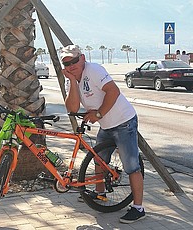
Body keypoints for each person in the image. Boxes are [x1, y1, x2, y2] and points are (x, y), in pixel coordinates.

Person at [61, 45, 145, 224]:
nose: (71, 65)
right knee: (99, 160)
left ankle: (138, 208)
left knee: (131, 166)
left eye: (74, 61)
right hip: (106, 125)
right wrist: (73, 82)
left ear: (82, 58)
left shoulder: (95, 70)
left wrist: (98, 114)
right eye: (66, 63)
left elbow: (113, 91)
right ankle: (100, 194)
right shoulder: (70, 78)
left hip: (124, 122)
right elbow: (72, 108)